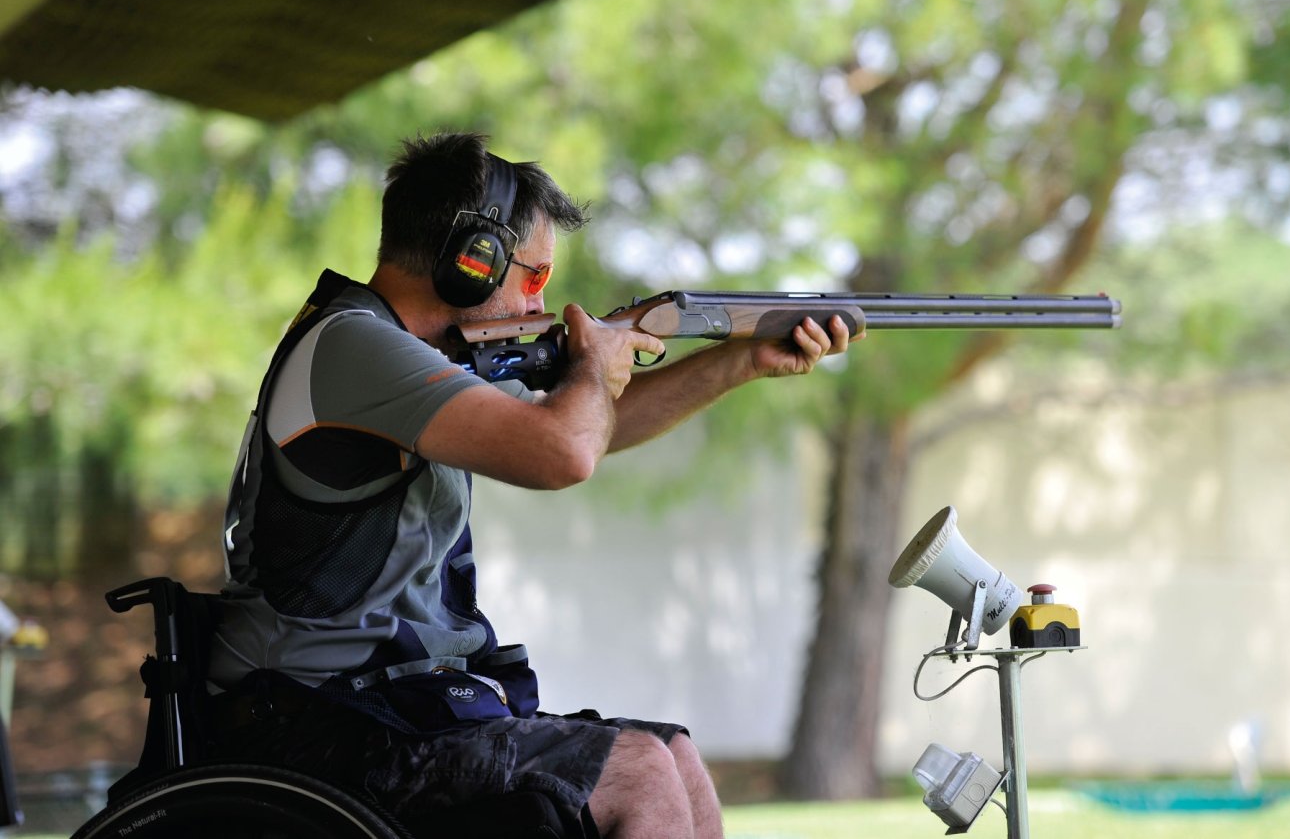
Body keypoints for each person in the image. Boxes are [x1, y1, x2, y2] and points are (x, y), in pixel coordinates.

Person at [206, 132, 854, 839]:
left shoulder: (417, 355)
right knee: (637, 773)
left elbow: (591, 426)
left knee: (673, 755)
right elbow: (563, 452)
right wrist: (593, 367)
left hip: (384, 705)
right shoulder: (354, 346)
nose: (538, 296)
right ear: (471, 260)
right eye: (533, 274)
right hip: (310, 721)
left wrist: (739, 362)